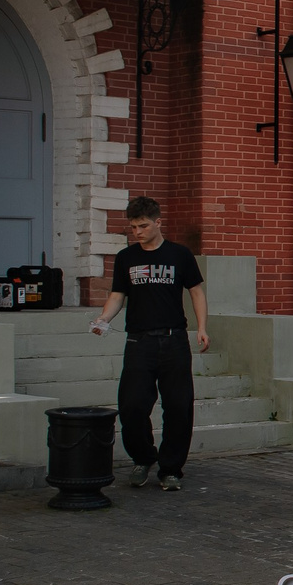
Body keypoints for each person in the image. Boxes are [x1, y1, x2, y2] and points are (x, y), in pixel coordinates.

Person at [90, 195, 208, 490]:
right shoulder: (126, 258)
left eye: (143, 226)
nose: (137, 232)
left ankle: (171, 469)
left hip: (174, 340)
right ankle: (143, 457)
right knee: (131, 406)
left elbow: (196, 292)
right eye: (133, 227)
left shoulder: (179, 255)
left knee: (179, 407)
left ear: (158, 222)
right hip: (138, 342)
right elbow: (118, 295)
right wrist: (103, 319)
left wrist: (202, 328)